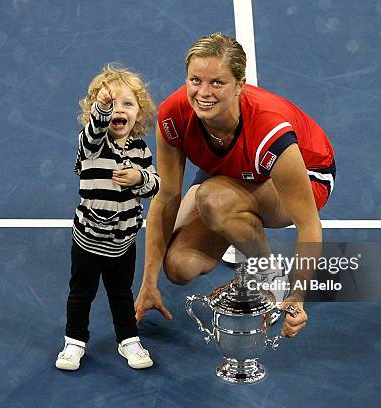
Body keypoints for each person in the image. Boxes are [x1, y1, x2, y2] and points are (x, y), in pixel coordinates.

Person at [134, 33, 335, 338]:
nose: (203, 92)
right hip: (230, 172)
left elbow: (309, 225)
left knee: (213, 200)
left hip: (305, 175)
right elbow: (166, 197)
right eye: (195, 80)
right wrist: (149, 282)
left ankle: (268, 272)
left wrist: (297, 297)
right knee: (178, 266)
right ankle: (236, 226)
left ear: (240, 84)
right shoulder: (173, 115)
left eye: (217, 83)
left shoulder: (270, 130)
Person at [56, 64, 160, 371]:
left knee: (121, 294)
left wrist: (138, 177)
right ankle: (74, 342)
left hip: (124, 243)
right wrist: (102, 108)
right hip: (88, 239)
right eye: (110, 104)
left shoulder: (141, 151)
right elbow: (93, 132)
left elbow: (156, 183)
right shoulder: (90, 146)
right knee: (81, 294)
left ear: (139, 113)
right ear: (96, 112)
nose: (119, 110)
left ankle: (129, 340)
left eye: (128, 104)